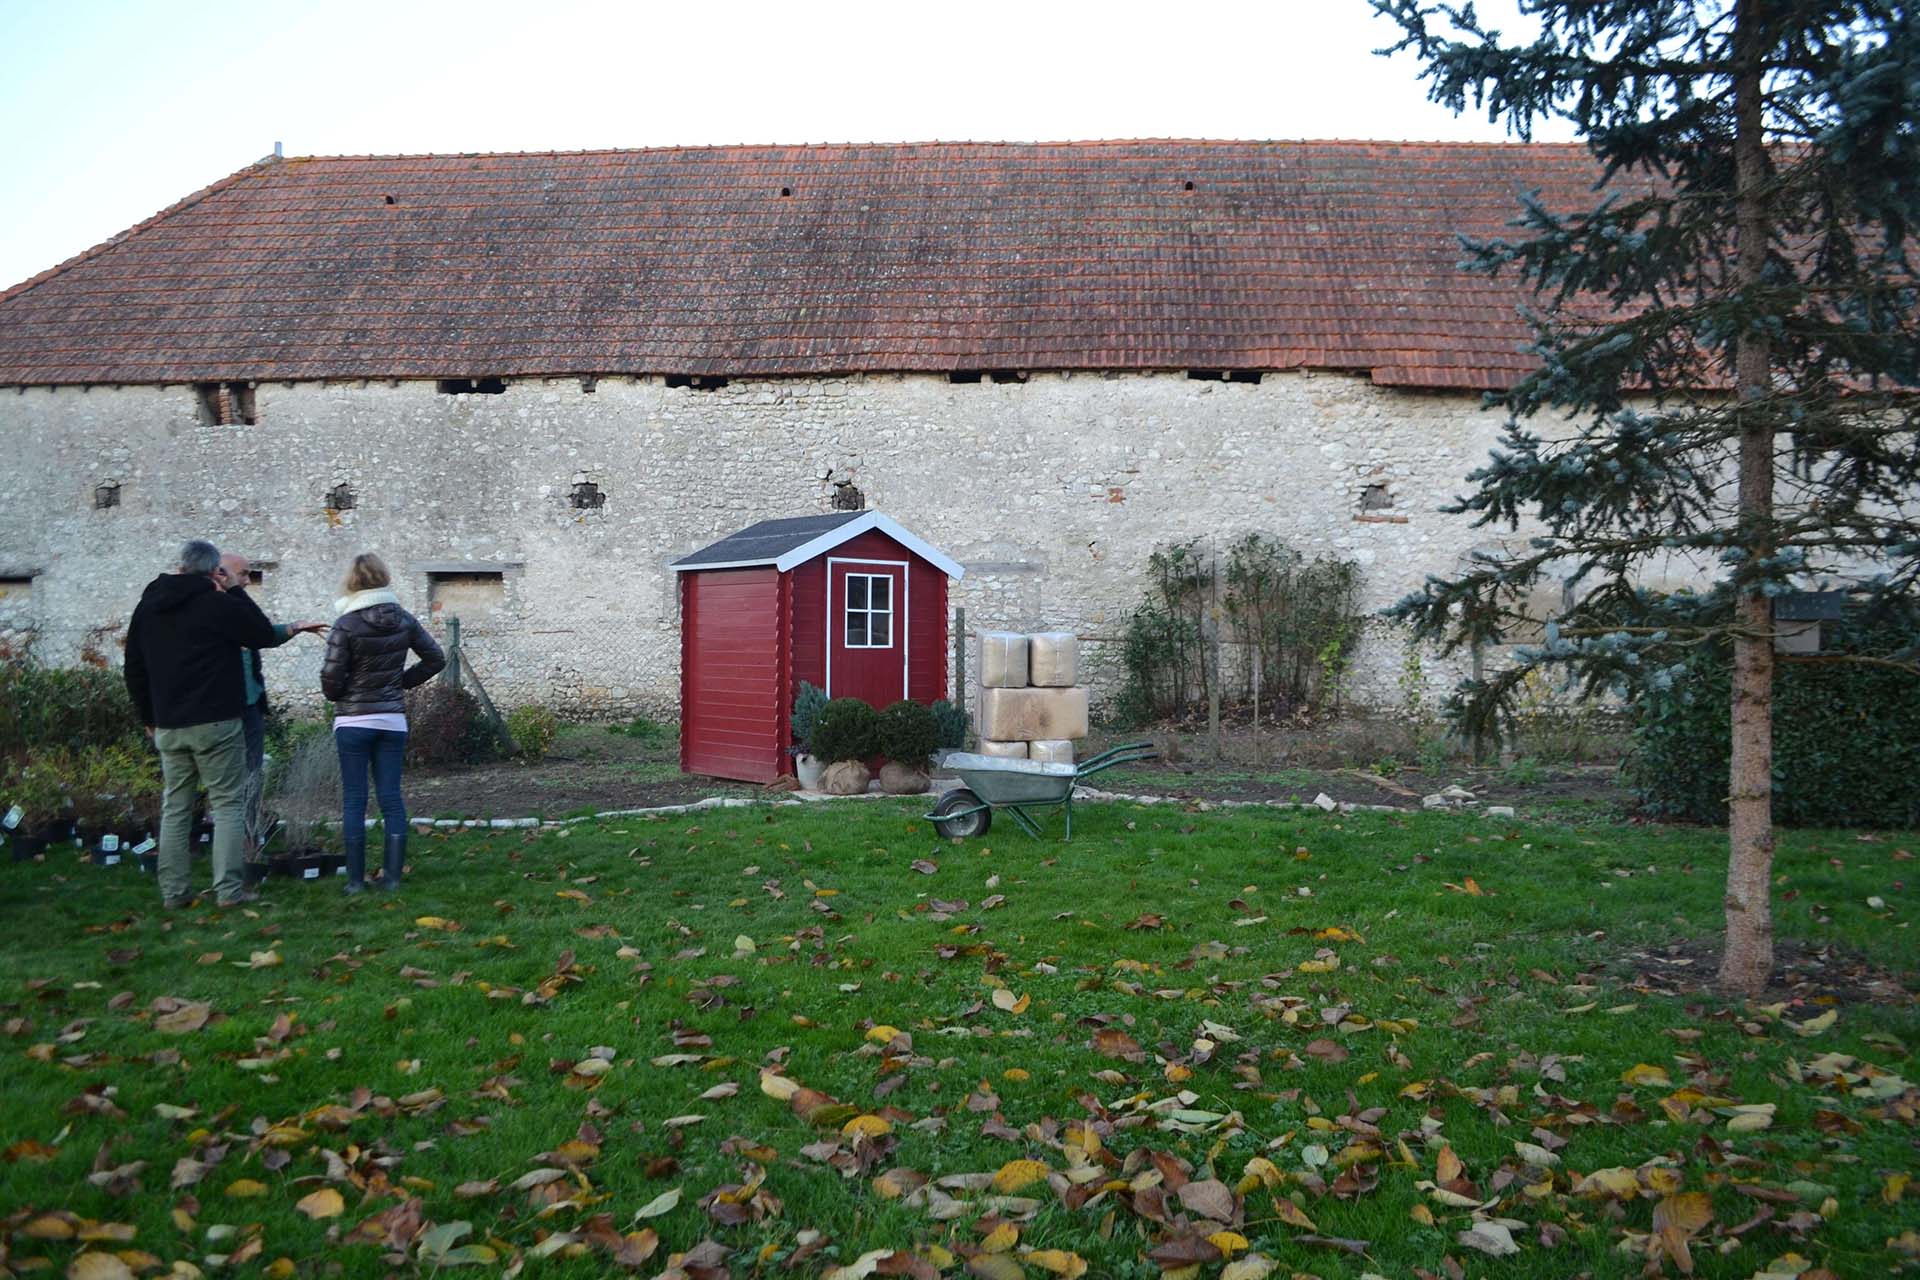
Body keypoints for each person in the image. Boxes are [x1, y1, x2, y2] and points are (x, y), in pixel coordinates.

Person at [125, 539, 282, 909]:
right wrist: (233, 590)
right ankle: (228, 892)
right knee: (228, 804)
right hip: (216, 721)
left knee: (176, 807)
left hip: (169, 723)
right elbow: (260, 633)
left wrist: (148, 716)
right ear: (215, 571)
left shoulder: (148, 606)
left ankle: (175, 893)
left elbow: (134, 668)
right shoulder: (217, 603)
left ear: (179, 567)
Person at [320, 553, 445, 893]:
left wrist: (343, 693)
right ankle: (391, 878)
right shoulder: (403, 619)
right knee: (391, 797)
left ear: (353, 582)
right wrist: (400, 683)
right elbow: (436, 658)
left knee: (354, 800)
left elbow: (331, 680)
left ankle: (356, 881)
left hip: (353, 720)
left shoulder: (345, 623)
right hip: (392, 719)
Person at [215, 554, 326, 862]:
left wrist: (295, 627)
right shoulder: (207, 610)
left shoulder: (237, 607)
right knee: (224, 781)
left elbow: (262, 634)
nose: (248, 580)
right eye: (244, 574)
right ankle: (223, 850)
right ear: (221, 574)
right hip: (218, 711)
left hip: (249, 707)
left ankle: (249, 845)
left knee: (252, 776)